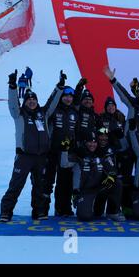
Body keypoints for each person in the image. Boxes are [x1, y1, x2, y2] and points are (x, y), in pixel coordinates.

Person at [0, 70, 65, 222]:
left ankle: (39, 211)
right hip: (24, 157)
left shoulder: (43, 113)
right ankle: (6, 212)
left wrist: (60, 87)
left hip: (41, 157)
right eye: (29, 100)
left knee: (40, 187)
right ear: (25, 102)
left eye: (34, 99)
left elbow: (52, 102)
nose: (31, 102)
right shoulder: (19, 114)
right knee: (16, 185)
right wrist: (12, 86)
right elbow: (13, 103)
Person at [60, 131, 122, 221]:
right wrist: (64, 150)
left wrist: (111, 177)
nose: (92, 144)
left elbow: (112, 170)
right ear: (85, 142)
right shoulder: (79, 154)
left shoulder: (102, 153)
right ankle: (85, 204)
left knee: (117, 183)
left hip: (99, 189)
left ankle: (112, 212)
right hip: (84, 191)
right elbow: (64, 164)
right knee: (85, 216)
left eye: (94, 142)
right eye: (89, 142)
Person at [43, 85, 78, 216]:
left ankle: (63, 208)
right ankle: (42, 209)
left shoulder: (74, 112)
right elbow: (48, 105)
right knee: (47, 181)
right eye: (66, 96)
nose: (68, 99)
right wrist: (58, 89)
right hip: (52, 151)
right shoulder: (54, 110)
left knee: (65, 182)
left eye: (70, 96)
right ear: (61, 97)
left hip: (67, 152)